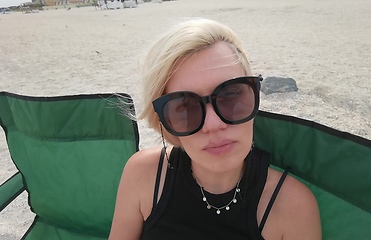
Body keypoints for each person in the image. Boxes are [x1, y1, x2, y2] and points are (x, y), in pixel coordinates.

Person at [109, 18, 321, 240]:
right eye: (184, 106)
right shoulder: (144, 176)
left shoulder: (292, 207)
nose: (213, 124)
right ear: (164, 121)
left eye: (230, 95)